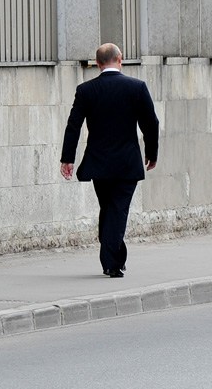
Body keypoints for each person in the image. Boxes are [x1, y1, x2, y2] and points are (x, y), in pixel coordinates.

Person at [60, 43, 160, 278]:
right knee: (116, 210)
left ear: (97, 63)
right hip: (127, 163)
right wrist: (151, 154)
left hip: (99, 163)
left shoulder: (86, 90)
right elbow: (151, 123)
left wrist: (68, 158)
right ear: (120, 59)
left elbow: (73, 125)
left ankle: (114, 258)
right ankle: (111, 263)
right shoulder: (137, 87)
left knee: (109, 208)